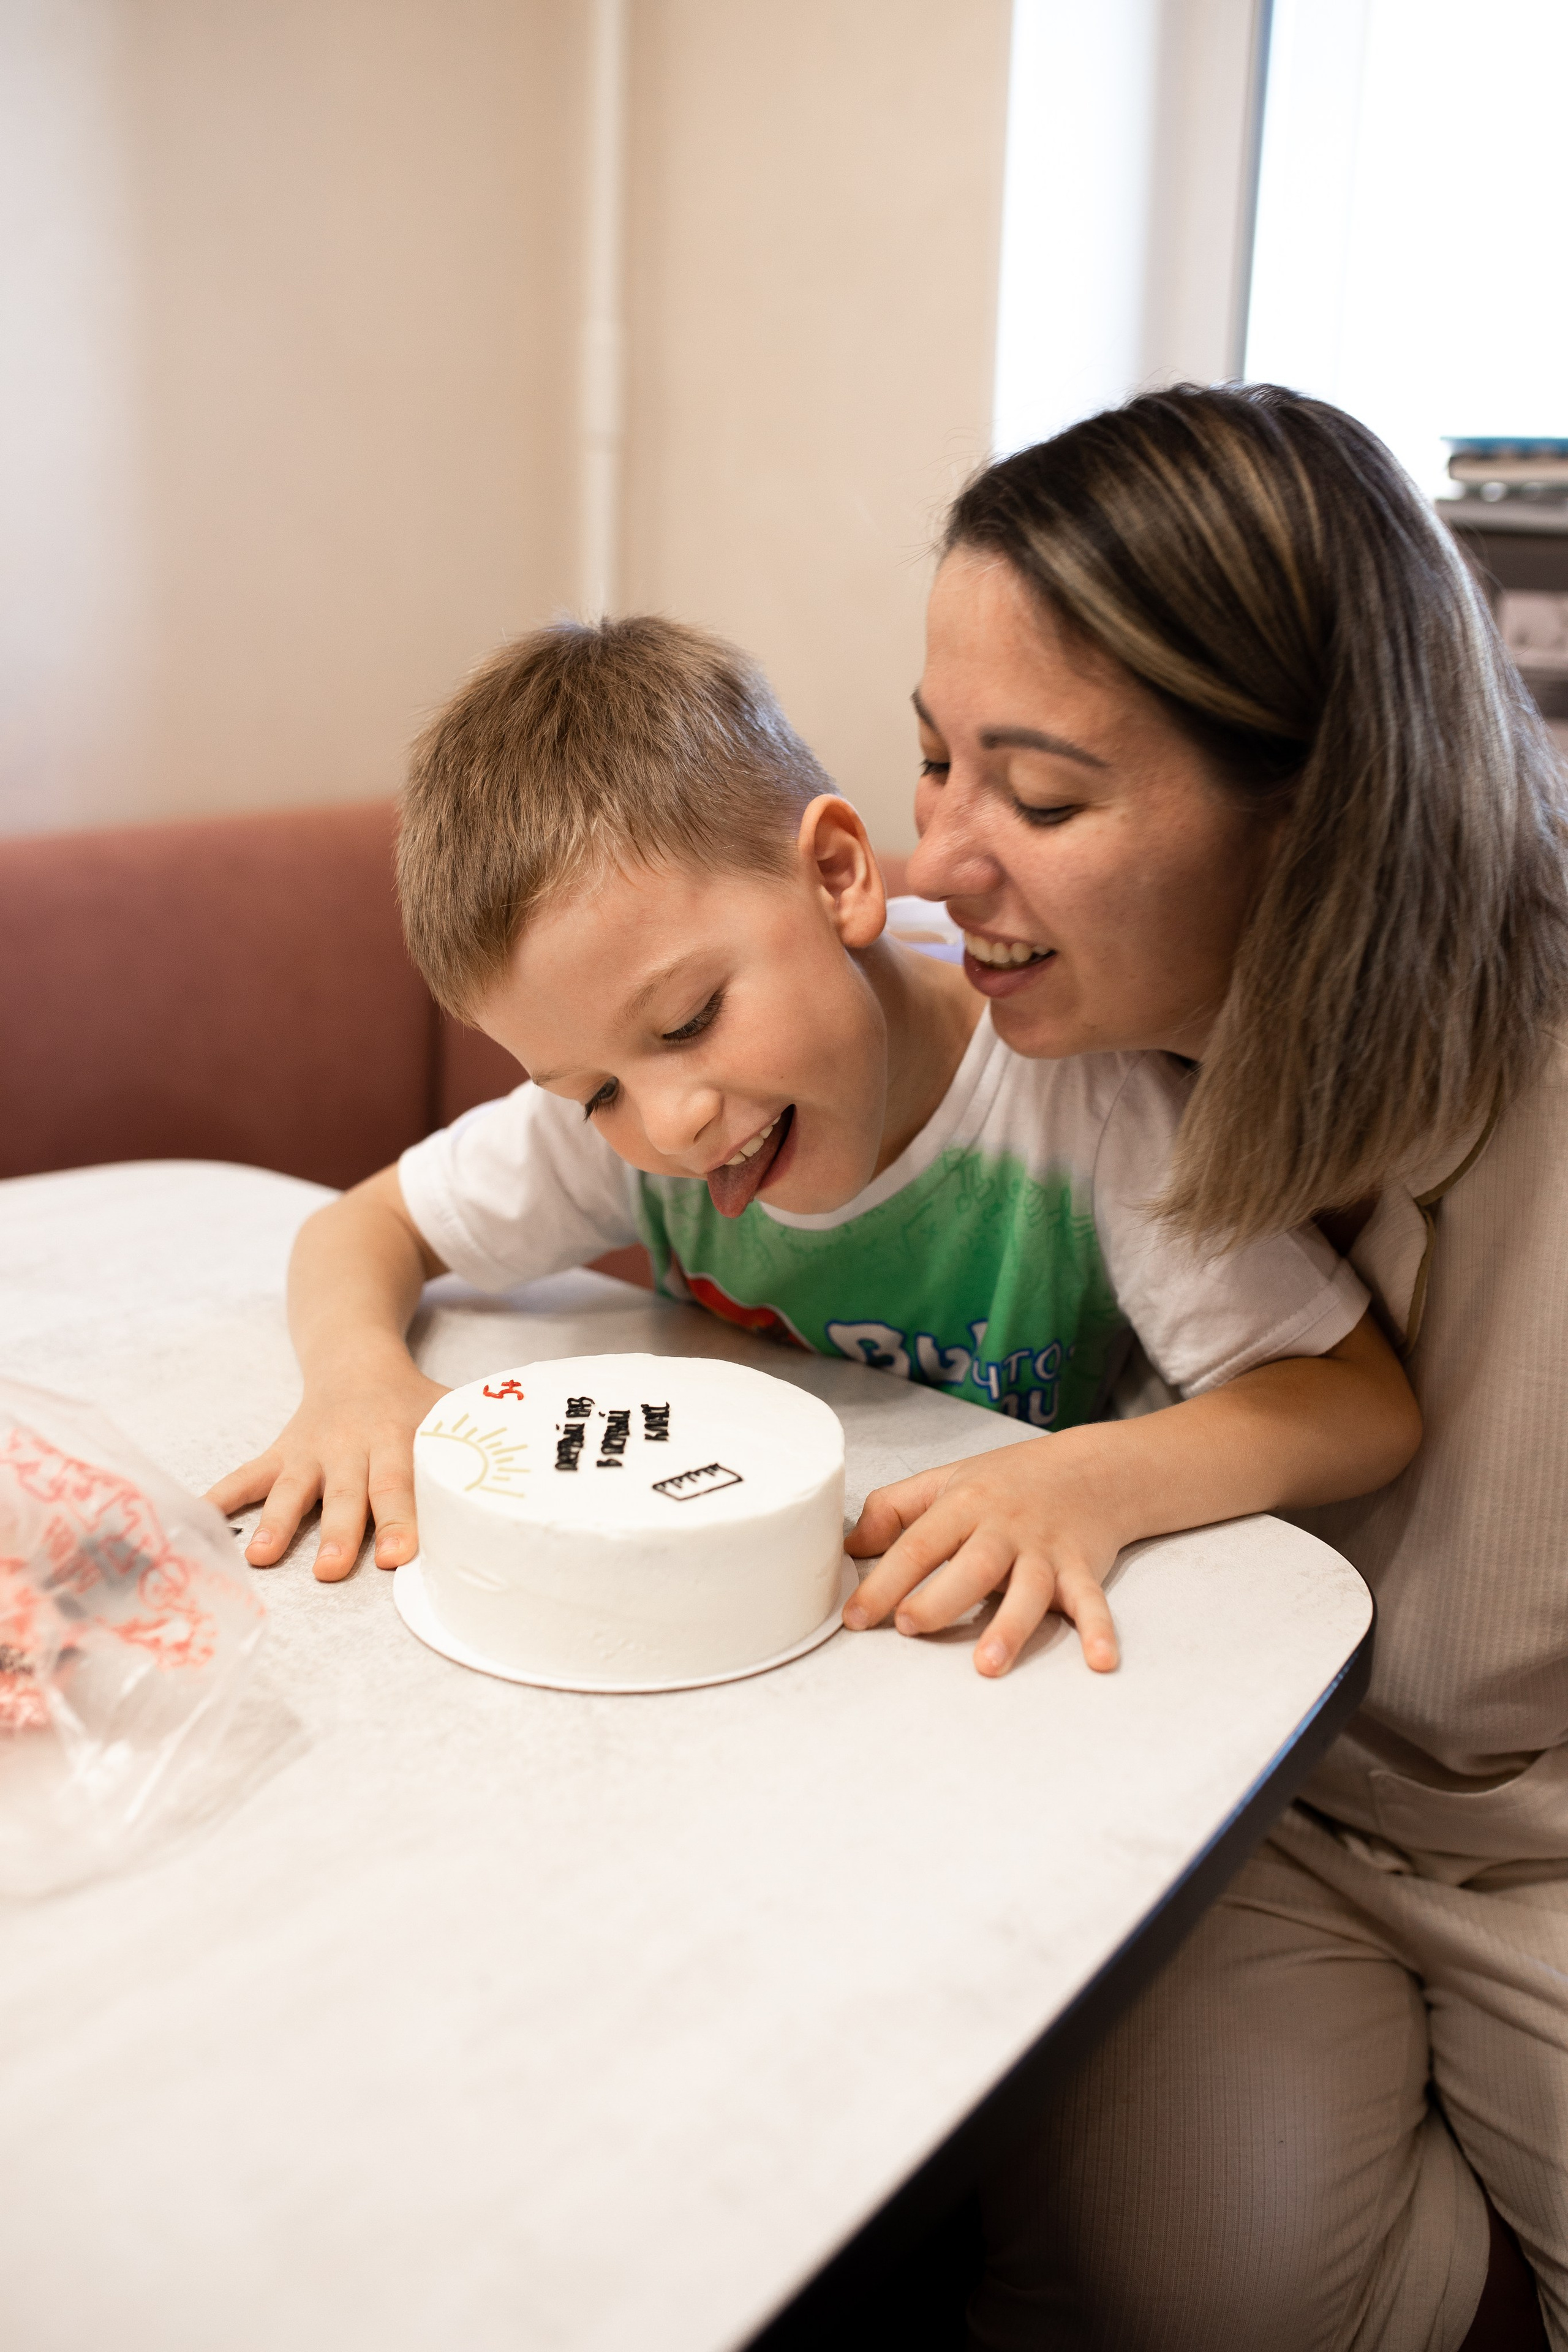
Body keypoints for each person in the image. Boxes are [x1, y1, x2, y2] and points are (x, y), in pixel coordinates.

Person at [881, 384, 1567, 2348]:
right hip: (1256, 1793)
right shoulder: (1058, 1043)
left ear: (1330, 812)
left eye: (1042, 797)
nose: (942, 866)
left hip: (1544, 1833)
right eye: (937, 764)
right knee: (1183, 2281)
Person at [209, 612, 1417, 1679]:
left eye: (689, 1022)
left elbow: (1350, 1402)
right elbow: (360, 1225)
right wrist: (361, 1384)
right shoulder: (626, 1130)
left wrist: (1093, 1480)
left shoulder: (1079, 1096)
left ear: (835, 875)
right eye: (591, 1094)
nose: (667, 1124)